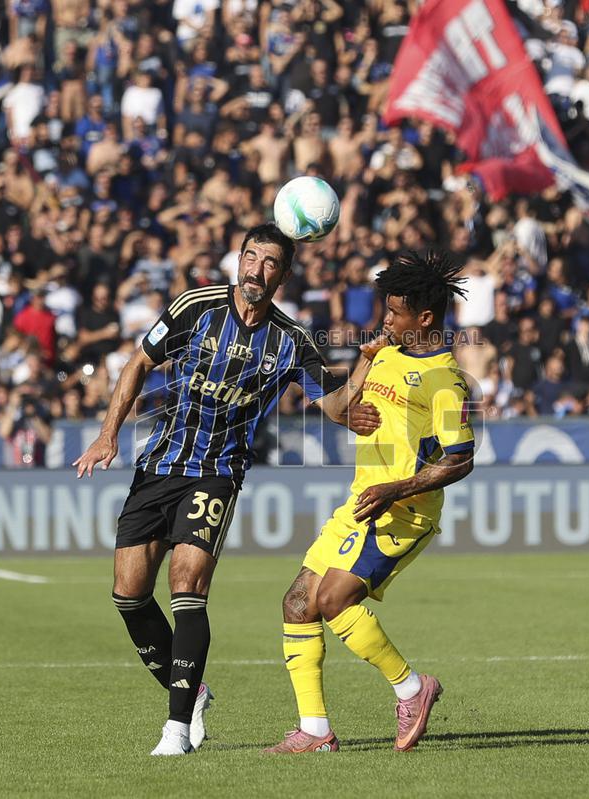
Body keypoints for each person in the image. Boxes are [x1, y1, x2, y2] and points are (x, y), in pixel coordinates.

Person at [72, 223, 381, 756]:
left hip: (218, 470)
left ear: (282, 275)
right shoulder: (196, 306)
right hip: (160, 465)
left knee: (186, 582)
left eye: (268, 263)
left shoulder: (290, 340)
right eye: (250, 257)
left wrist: (366, 364)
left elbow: (333, 407)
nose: (255, 270)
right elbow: (139, 363)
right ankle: (191, 693)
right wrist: (108, 433)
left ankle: (175, 732)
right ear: (238, 260)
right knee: (128, 594)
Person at [265, 251, 475, 754]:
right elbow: (341, 409)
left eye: (395, 312)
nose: (385, 319)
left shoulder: (444, 381)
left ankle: (412, 689)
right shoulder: (383, 353)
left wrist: (396, 489)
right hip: (361, 503)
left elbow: (461, 460)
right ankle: (315, 731)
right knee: (298, 603)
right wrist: (358, 383)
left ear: (424, 318)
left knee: (333, 600)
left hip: (403, 512)